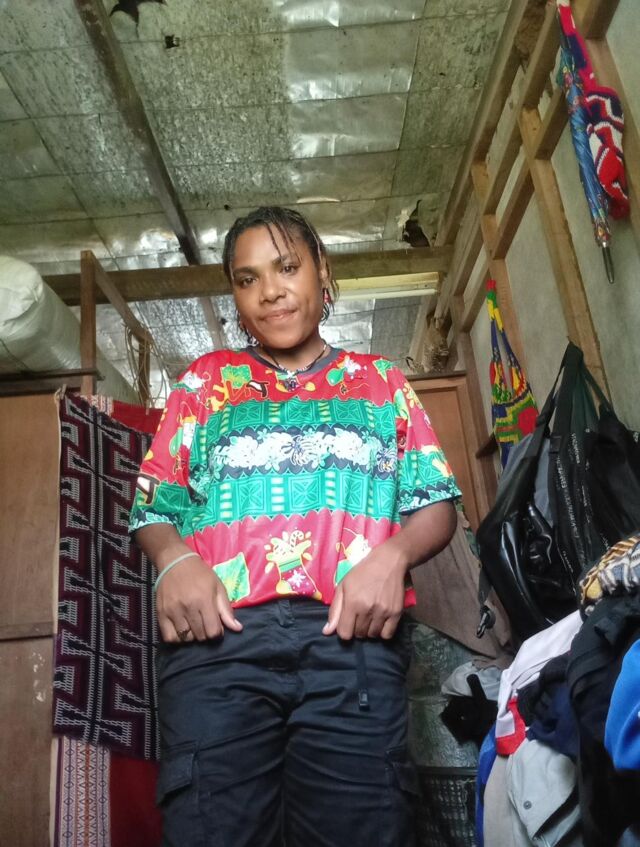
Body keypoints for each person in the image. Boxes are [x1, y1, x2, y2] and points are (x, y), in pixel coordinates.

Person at [130, 206, 460, 847]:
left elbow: (436, 507)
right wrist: (174, 559)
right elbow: (153, 505)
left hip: (351, 644)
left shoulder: (381, 383)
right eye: (247, 278)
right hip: (217, 647)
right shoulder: (204, 383)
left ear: (321, 270)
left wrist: (392, 558)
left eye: (286, 267)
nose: (270, 291)